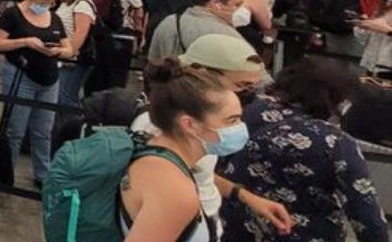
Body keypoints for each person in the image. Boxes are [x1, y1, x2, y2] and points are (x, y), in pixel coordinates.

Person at [131, 34, 291, 239]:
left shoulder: (193, 133)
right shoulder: (156, 129)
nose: (248, 95)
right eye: (241, 85)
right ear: (204, 74)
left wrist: (244, 196)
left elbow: (199, 173)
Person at [221, 57, 385, 242]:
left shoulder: (248, 111)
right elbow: (365, 212)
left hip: (235, 228)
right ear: (338, 99)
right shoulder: (335, 143)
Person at [119, 59, 241, 240]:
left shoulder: (155, 152)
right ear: (190, 124)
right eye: (232, 120)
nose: (240, 127)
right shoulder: (176, 192)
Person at [0, 0, 72, 186]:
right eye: (41, 1)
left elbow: (69, 48)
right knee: (15, 130)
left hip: (49, 78)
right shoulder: (12, 15)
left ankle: (43, 175)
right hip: (21, 75)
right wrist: (25, 42)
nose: (43, 6)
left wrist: (58, 51)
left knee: (43, 131)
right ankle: (6, 174)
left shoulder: (54, 18)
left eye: (48, 3)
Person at [149, 0, 250, 61]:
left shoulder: (170, 21)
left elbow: (154, 59)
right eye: (237, 5)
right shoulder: (228, 36)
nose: (243, 10)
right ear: (215, 4)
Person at [55, 0, 96, 108]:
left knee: (66, 98)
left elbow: (80, 34)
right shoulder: (67, 2)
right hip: (64, 58)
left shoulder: (82, 5)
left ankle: (71, 128)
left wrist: (68, 53)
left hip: (73, 61)